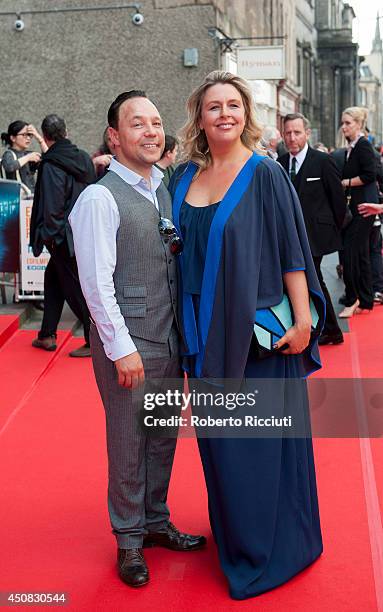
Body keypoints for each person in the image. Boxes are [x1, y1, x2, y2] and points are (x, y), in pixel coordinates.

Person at [169, 71, 326, 600]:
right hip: (201, 335)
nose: (225, 114)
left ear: (246, 113)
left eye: (233, 105)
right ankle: (237, 535)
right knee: (221, 446)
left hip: (257, 335)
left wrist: (304, 321)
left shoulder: (264, 174)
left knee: (256, 446)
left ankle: (273, 547)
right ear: (199, 116)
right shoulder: (182, 177)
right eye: (213, 106)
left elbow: (292, 252)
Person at [69, 90, 206, 589]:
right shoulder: (99, 197)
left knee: (163, 439)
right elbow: (96, 284)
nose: (150, 132)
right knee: (129, 445)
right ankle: (128, 541)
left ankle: (155, 520)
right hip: (129, 343)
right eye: (136, 124)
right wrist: (121, 347)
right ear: (114, 136)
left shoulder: (162, 189)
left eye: (155, 122)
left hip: (169, 338)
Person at [30, 114, 95, 357]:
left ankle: (94, 338)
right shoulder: (83, 158)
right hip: (79, 230)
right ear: (65, 132)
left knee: (74, 289)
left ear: (45, 137)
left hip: (61, 237)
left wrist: (51, 238)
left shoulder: (50, 164)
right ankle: (47, 334)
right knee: (54, 281)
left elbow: (52, 206)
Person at [278, 113, 346, 345]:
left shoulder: (323, 161)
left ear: (307, 134)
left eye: (297, 132)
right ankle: (319, 326)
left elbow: (338, 200)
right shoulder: (281, 162)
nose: (292, 137)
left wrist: (334, 230)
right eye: (287, 133)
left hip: (316, 236)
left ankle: (331, 329)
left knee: (313, 278)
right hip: (291, 236)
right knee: (307, 280)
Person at [338, 107, 379, 317]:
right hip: (360, 205)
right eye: (343, 123)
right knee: (360, 253)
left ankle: (353, 299)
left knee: (351, 253)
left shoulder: (362, 145)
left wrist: (345, 183)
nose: (343, 127)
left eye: (348, 123)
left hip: (364, 207)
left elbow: (370, 175)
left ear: (358, 124)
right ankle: (365, 299)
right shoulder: (354, 146)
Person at [1, 121, 47, 195]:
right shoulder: (9, 154)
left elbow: (50, 159)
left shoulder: (28, 154)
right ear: (13, 138)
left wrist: (39, 138)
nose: (28, 138)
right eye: (24, 135)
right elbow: (9, 167)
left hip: (31, 197)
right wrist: (28, 158)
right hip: (17, 199)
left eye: (29, 135)